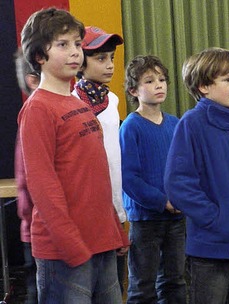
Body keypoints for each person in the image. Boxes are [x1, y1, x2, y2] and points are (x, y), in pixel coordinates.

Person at [19, 8, 129, 302]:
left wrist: (114, 230)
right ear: (40, 56)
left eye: (78, 44)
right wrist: (69, 242)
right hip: (67, 252)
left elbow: (97, 175)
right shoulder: (38, 108)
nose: (75, 53)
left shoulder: (76, 103)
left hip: (101, 243)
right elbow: (42, 184)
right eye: (63, 45)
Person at [164, 47, 229, 303]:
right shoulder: (192, 124)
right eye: (228, 80)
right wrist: (216, 219)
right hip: (212, 250)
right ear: (203, 86)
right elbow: (177, 183)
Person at [121, 55, 186, 303]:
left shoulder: (175, 124)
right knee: (143, 284)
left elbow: (185, 168)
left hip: (176, 218)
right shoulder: (131, 126)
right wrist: (162, 201)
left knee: (175, 280)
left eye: (162, 79)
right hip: (146, 220)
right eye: (149, 81)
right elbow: (129, 178)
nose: (159, 85)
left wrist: (181, 198)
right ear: (133, 90)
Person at [72, 26, 128, 291]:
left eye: (112, 58)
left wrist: (119, 210)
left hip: (113, 205)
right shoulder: (71, 101)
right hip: (86, 209)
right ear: (81, 62)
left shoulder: (113, 100)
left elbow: (115, 160)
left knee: (115, 284)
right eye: (100, 58)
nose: (109, 65)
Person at [13, 48, 40, 304]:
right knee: (39, 291)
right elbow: (29, 181)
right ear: (33, 80)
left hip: (39, 228)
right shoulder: (33, 115)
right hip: (37, 230)